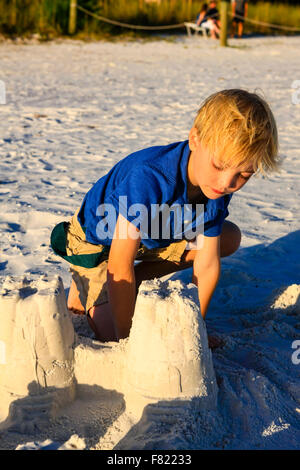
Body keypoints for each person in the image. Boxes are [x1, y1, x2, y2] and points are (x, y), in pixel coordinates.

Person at [50, 89, 279, 348]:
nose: (227, 183)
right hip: (98, 243)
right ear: (195, 138)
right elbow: (119, 262)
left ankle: (134, 284)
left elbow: (207, 263)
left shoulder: (217, 186)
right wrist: (128, 340)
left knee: (227, 238)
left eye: (244, 175)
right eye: (219, 165)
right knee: (113, 334)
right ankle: (85, 287)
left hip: (153, 235)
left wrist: (195, 326)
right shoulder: (150, 177)